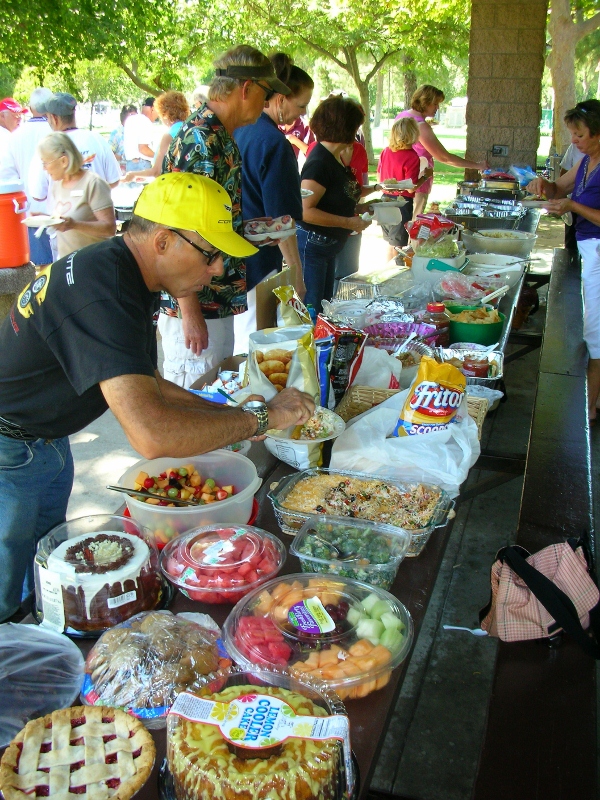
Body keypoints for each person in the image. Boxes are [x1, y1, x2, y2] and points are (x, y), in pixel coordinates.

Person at [0, 171, 315, 622]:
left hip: (44, 440)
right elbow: (151, 435)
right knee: (6, 592)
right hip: (10, 448)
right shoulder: (104, 290)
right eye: (211, 255)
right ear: (164, 241)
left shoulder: (124, 272)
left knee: (46, 579)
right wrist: (262, 420)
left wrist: (229, 412)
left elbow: (143, 381)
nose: (219, 270)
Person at [160, 44, 290, 387]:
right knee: (194, 405)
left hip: (217, 299)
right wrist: (189, 311)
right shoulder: (201, 140)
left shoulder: (221, 136)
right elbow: (176, 229)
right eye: (265, 94)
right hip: (197, 304)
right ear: (246, 88)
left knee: (215, 399)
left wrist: (247, 229)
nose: (266, 104)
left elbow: (209, 222)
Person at [233, 52, 312, 353]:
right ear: (279, 98)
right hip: (257, 264)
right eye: (300, 105)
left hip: (233, 262)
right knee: (254, 350)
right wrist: (296, 275)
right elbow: (282, 221)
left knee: (241, 346)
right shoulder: (274, 143)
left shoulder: (239, 131)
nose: (301, 115)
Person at [526, 100, 600, 421]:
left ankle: (587, 412)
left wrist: (573, 207)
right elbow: (559, 188)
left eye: (579, 134)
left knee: (595, 336)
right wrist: (546, 186)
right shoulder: (586, 161)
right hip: (586, 250)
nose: (574, 140)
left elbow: (575, 205)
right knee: (590, 330)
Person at [297, 96, 371, 312]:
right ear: (345, 128)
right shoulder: (319, 162)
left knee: (324, 306)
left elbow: (332, 200)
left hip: (327, 246)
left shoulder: (334, 157)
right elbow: (305, 211)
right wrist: (348, 223)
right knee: (312, 309)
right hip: (314, 245)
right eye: (355, 127)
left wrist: (359, 208)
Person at [396, 85, 488, 218]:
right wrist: (478, 165)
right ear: (424, 102)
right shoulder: (421, 126)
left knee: (401, 226)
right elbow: (444, 158)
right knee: (414, 227)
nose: (437, 108)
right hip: (418, 181)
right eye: (435, 103)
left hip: (401, 180)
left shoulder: (402, 116)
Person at [36, 133, 116, 259]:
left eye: (45, 163)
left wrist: (74, 224)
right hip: (67, 264)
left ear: (63, 161)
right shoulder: (57, 186)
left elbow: (110, 228)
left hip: (93, 263)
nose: (44, 168)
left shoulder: (92, 183)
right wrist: (46, 219)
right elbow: (65, 219)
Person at [0, 88, 53, 265]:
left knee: (37, 271)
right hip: (59, 211)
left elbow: (8, 178)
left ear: (30, 108)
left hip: (28, 212)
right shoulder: (57, 133)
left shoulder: (14, 138)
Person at [377, 116, 434, 263]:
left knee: (390, 242)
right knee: (397, 245)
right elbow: (411, 188)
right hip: (400, 203)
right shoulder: (412, 157)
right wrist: (425, 176)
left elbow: (379, 175)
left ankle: (388, 269)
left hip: (384, 200)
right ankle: (392, 274)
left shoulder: (386, 151)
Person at [123, 92, 190, 181]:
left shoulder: (169, 135)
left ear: (165, 113)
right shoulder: (190, 129)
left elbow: (156, 172)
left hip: (172, 186)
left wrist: (133, 175)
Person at [560, 142, 585, 250]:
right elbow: (562, 181)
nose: (574, 139)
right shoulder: (584, 160)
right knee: (571, 245)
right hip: (573, 205)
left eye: (579, 135)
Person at [123, 98, 158, 172]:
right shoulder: (146, 121)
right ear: (153, 108)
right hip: (141, 165)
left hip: (130, 164)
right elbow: (143, 149)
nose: (158, 115)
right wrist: (159, 156)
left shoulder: (130, 119)